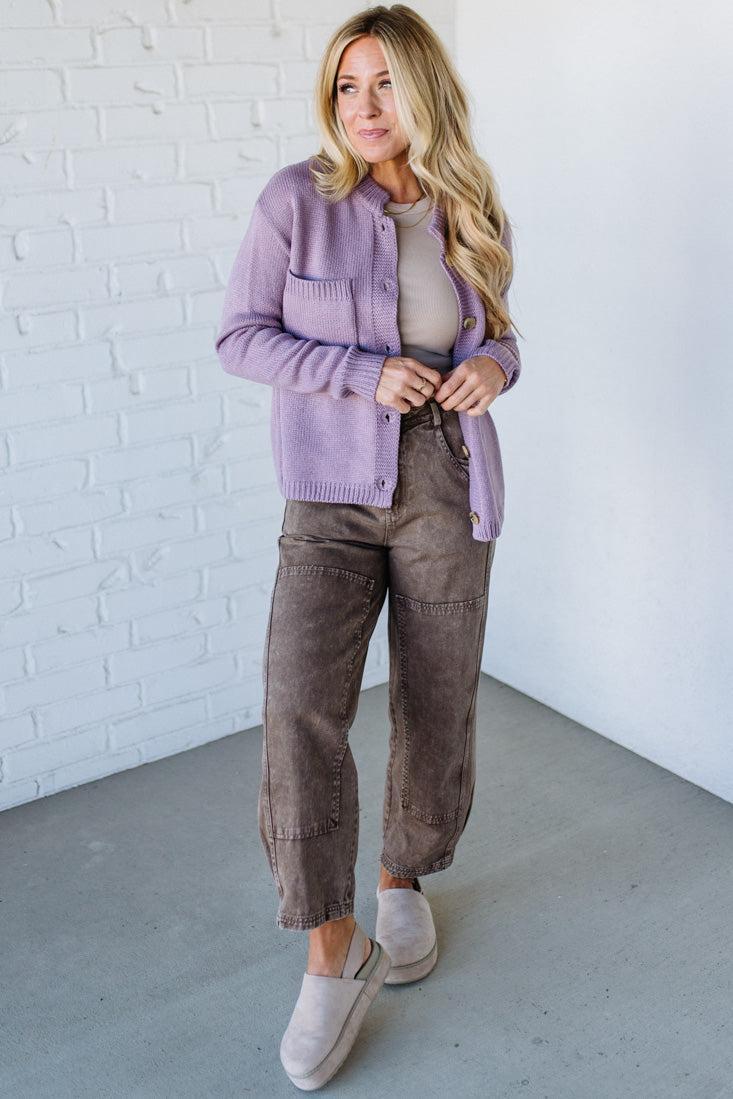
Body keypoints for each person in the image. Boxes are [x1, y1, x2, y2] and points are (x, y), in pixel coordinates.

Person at [215, 4, 522, 1089]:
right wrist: (357, 372)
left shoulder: (465, 200)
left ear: (423, 92)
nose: (364, 108)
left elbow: (495, 333)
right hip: (331, 492)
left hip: (444, 475)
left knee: (437, 697)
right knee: (301, 704)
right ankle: (328, 947)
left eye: (385, 85)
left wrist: (496, 366)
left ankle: (403, 880)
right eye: (348, 87)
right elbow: (239, 336)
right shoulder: (293, 200)